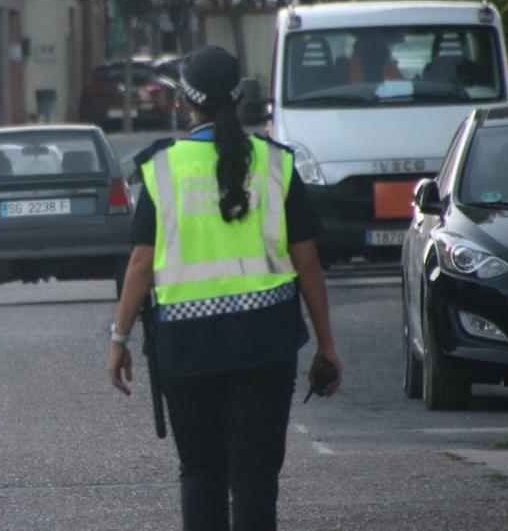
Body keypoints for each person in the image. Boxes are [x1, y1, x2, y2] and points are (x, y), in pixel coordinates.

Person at [107, 45, 341, 531]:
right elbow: (308, 262)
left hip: (186, 348)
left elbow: (141, 264)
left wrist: (119, 339)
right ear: (239, 97)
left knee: (201, 472)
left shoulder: (161, 169)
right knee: (255, 479)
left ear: (183, 102)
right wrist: (326, 344)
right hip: (265, 343)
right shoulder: (276, 165)